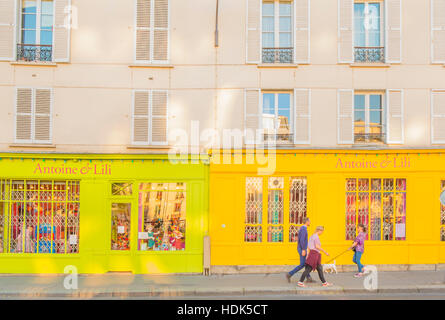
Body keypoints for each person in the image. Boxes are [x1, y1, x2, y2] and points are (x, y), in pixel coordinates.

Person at [286, 217, 313, 283]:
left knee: (305, 263)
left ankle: (309, 278)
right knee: (302, 264)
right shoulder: (304, 229)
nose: (310, 222)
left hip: (301, 248)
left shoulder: (303, 228)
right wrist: (304, 249)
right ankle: (289, 274)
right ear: (306, 221)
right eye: (309, 221)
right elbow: (302, 240)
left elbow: (300, 239)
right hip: (302, 248)